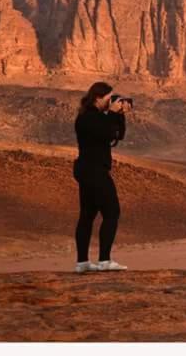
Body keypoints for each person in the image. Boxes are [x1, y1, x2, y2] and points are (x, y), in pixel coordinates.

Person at [72, 81, 132, 273]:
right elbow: (104, 133)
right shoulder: (87, 118)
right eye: (109, 98)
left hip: (91, 170)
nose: (111, 102)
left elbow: (117, 136)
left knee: (88, 215)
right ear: (98, 98)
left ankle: (83, 263)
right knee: (112, 212)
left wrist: (120, 116)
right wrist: (113, 114)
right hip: (93, 170)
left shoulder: (98, 117)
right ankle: (104, 261)